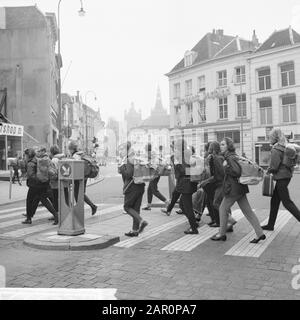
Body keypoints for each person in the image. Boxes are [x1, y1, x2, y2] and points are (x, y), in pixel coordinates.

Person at [211, 137, 265, 243]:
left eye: (223, 144)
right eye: (221, 144)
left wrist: (226, 167)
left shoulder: (230, 157)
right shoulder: (233, 156)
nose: (220, 146)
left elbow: (236, 172)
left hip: (233, 189)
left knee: (222, 209)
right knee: (247, 211)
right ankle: (260, 234)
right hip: (240, 188)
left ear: (228, 146)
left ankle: (221, 234)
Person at [261, 128, 300, 231]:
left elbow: (274, 166)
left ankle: (270, 225)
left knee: (287, 202)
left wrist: (267, 171)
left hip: (281, 178)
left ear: (274, 137)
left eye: (270, 137)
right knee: (274, 201)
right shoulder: (285, 146)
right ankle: (270, 225)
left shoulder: (276, 149)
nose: (269, 139)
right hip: (286, 176)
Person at [199, 141, 237, 231]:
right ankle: (227, 226)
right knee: (222, 204)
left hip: (221, 184)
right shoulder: (220, 157)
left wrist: (205, 181)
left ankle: (230, 220)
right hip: (222, 183)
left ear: (211, 149)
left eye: (223, 144)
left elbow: (219, 175)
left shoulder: (216, 158)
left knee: (217, 203)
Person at [118, 142, 148, 236]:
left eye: (122, 149)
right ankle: (135, 230)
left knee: (127, 207)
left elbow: (128, 174)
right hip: (140, 185)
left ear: (127, 150)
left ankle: (141, 221)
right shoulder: (136, 157)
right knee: (136, 209)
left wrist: (121, 166)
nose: (120, 151)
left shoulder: (128, 159)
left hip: (132, 187)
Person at [22, 147, 58, 225]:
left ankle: (29, 218)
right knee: (43, 200)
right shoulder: (38, 160)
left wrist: (35, 180)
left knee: (29, 200)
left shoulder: (30, 163)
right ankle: (56, 215)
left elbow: (31, 175)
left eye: (25, 155)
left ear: (28, 155)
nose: (24, 157)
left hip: (34, 185)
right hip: (43, 183)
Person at [174, 138, 198, 234]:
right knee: (183, 206)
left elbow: (184, 171)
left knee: (187, 207)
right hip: (189, 183)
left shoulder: (182, 156)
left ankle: (194, 227)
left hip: (185, 185)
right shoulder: (188, 154)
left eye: (176, 146)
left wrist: (177, 166)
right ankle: (193, 223)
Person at [68, 141, 98, 216]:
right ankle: (92, 206)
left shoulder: (75, 156)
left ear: (72, 149)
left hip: (79, 177)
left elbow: (74, 167)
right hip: (84, 176)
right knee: (81, 194)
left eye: (69, 149)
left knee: (77, 194)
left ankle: (80, 210)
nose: (69, 151)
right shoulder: (81, 153)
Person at [142, 143, 169, 211]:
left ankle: (166, 201)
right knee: (149, 189)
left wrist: (146, 165)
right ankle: (149, 205)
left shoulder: (150, 154)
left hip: (154, 174)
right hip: (156, 173)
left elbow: (151, 165)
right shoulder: (153, 154)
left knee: (154, 190)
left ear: (147, 149)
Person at [49, 145, 65, 214]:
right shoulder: (62, 157)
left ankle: (56, 215)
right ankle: (64, 212)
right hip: (63, 181)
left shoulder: (54, 160)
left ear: (51, 152)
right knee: (63, 198)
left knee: (55, 199)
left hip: (55, 182)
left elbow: (53, 171)